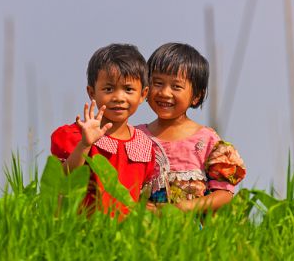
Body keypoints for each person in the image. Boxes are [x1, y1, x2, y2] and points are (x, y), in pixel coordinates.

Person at [137, 43, 246, 213]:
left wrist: (186, 207)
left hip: (192, 229)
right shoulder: (135, 137)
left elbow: (224, 194)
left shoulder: (206, 140)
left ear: (196, 96)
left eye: (176, 86)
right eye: (158, 83)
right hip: (142, 228)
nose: (165, 93)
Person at [50, 43, 155, 217]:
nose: (119, 97)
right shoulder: (76, 134)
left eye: (128, 89)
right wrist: (85, 144)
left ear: (143, 94)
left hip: (124, 236)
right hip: (83, 230)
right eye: (108, 89)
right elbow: (64, 176)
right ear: (92, 92)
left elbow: (141, 195)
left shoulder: (145, 146)